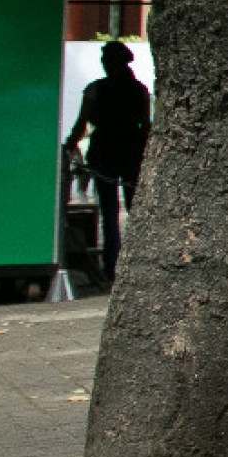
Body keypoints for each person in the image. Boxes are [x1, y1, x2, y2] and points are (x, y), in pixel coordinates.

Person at [64, 41, 150, 282]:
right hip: (132, 153)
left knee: (109, 213)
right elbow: (145, 125)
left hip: (104, 153)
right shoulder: (139, 90)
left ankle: (112, 266)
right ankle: (137, 263)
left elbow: (82, 124)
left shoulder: (95, 90)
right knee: (136, 210)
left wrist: (69, 146)